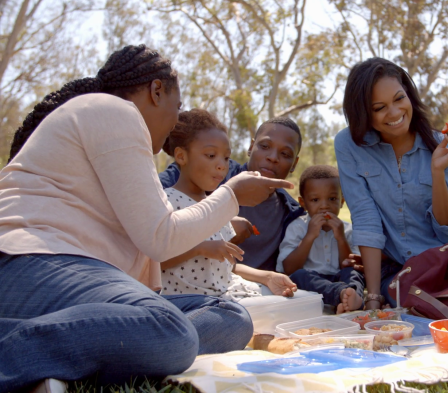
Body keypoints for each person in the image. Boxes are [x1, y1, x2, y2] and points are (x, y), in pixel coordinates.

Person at [0, 45, 293, 391]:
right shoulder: (113, 110)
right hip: (30, 263)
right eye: (177, 107)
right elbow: (160, 237)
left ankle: (67, 362)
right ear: (156, 91)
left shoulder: (118, 133)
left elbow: (151, 238)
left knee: (231, 318)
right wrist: (231, 195)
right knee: (171, 331)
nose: (174, 123)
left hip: (78, 281)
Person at [334, 57, 448, 310]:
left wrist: (437, 170)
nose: (394, 113)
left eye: (399, 99)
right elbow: (365, 217)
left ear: (409, 95)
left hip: (446, 264)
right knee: (411, 298)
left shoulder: (442, 145)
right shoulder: (348, 144)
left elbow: (447, 233)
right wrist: (373, 297)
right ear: (363, 113)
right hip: (398, 276)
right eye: (378, 107)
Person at [159, 108, 298, 301]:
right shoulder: (168, 201)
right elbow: (153, 262)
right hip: (185, 302)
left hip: (222, 293)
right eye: (210, 155)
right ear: (182, 156)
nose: (222, 165)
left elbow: (225, 267)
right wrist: (199, 247)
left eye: (225, 158)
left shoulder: (218, 208)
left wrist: (266, 276)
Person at [276, 165, 364, 313]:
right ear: (303, 203)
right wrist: (310, 236)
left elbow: (348, 265)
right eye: (315, 200)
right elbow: (289, 268)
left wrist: (341, 238)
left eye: (332, 198)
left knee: (354, 273)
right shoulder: (297, 227)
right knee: (299, 276)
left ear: (342, 201)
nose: (324, 206)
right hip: (313, 283)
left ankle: (350, 299)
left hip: (339, 278)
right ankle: (342, 297)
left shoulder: (347, 230)